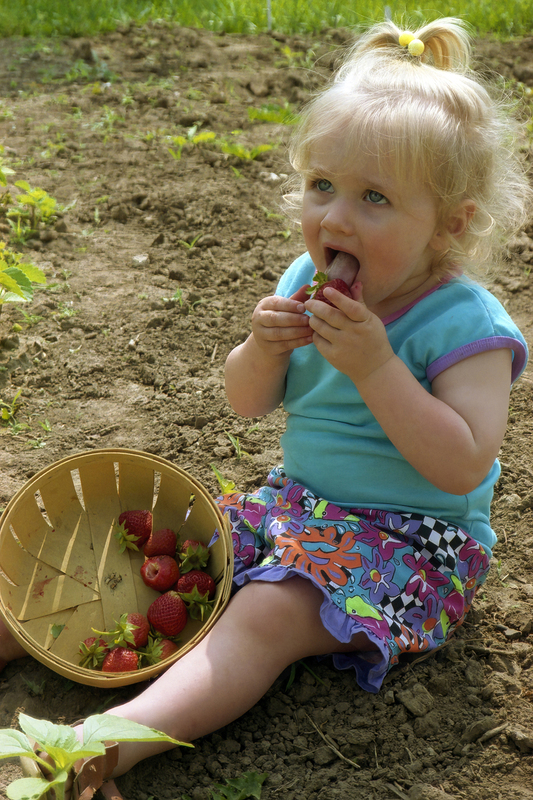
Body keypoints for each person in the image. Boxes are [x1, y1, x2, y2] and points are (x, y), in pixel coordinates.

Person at [1, 15, 531, 799]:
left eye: (374, 198)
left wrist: (379, 367)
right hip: (297, 507)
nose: (334, 218)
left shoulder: (465, 326)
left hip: (412, 543)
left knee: (263, 615)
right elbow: (246, 404)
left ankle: (106, 745)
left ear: (450, 224)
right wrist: (263, 350)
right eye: (322, 186)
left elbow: (464, 460)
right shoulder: (301, 281)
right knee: (155, 560)